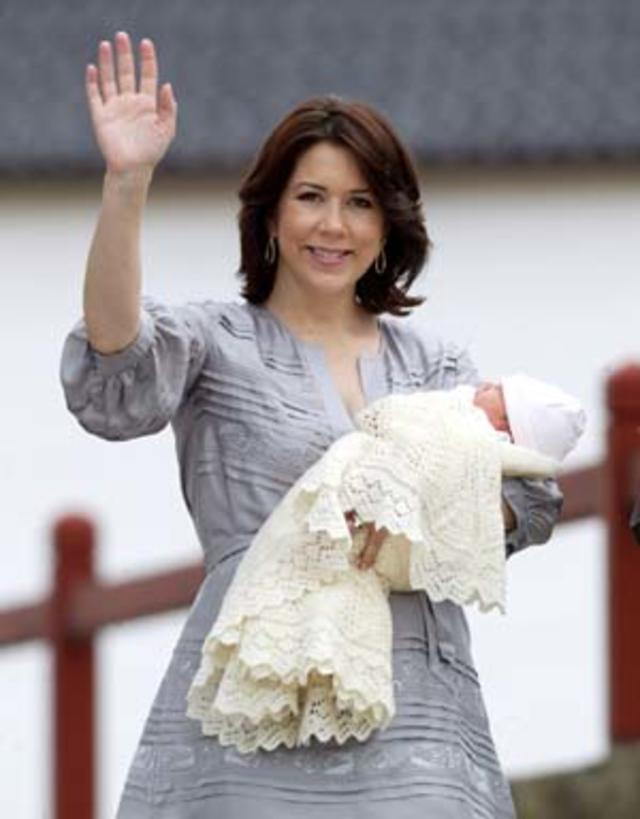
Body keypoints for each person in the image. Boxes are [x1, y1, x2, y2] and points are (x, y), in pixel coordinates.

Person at [60, 31, 563, 819]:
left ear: (389, 223)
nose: (334, 225)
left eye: (360, 202)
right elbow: (115, 373)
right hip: (251, 709)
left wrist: (417, 515)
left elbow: (529, 500)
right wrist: (127, 182)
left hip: (416, 717)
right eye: (311, 197)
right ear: (269, 213)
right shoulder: (213, 342)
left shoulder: (436, 365)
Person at [186, 377, 585, 755]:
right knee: (304, 582)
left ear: (506, 426)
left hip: (417, 664)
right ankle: (289, 663)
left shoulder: (454, 390)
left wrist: (405, 493)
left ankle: (319, 667)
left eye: (496, 391)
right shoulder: (452, 406)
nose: (482, 385)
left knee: (342, 590)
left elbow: (535, 507)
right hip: (321, 516)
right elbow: (397, 419)